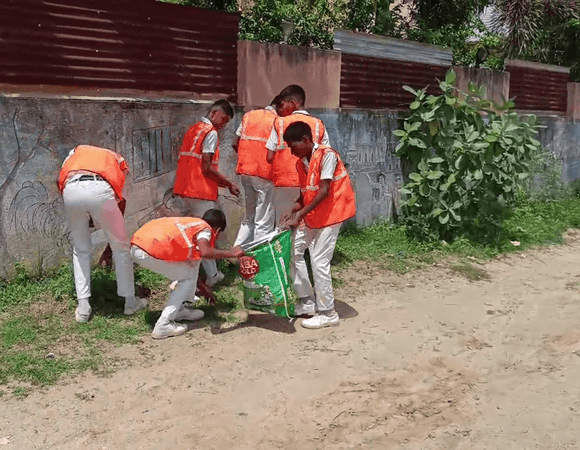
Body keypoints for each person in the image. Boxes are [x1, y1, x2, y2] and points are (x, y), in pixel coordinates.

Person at [57, 145, 145, 323]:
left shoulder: (76, 152)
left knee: (80, 250)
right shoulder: (119, 161)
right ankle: (130, 303)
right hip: (100, 189)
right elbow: (121, 202)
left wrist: (84, 213)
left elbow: (58, 179)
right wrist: (113, 239)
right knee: (121, 250)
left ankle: (83, 308)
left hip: (71, 188)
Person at [281, 122, 356, 329]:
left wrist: (299, 215)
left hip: (333, 214)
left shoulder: (327, 155)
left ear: (306, 140)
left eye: (293, 145)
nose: (291, 150)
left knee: (319, 260)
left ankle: (328, 313)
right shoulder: (301, 162)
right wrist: (293, 209)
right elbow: (307, 194)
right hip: (315, 215)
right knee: (294, 251)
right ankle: (307, 301)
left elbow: (323, 191)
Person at [130, 209, 244, 339]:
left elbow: (192, 268)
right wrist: (230, 253)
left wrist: (203, 288)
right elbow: (205, 252)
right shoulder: (205, 230)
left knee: (190, 269)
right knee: (187, 277)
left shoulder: (192, 226)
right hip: (149, 248)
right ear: (217, 230)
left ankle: (179, 310)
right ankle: (163, 324)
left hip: (138, 245)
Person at [172, 99, 240, 288]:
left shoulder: (194, 129)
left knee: (196, 235)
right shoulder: (210, 133)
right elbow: (207, 167)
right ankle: (211, 275)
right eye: (223, 119)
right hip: (200, 191)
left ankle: (194, 274)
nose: (224, 125)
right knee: (205, 234)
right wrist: (228, 183)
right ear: (214, 114)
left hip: (185, 189)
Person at [265, 85, 330, 226]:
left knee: (283, 225)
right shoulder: (319, 125)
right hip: (310, 186)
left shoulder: (279, 123)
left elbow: (269, 156)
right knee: (307, 227)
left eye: (282, 105)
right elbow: (325, 156)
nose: (280, 110)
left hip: (284, 183)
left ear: (293, 103)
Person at [231, 96, 279, 247]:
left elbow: (234, 142)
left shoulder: (249, 115)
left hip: (245, 172)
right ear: (281, 106)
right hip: (265, 174)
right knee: (263, 220)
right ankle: (260, 259)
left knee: (249, 218)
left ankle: (236, 253)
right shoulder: (277, 121)